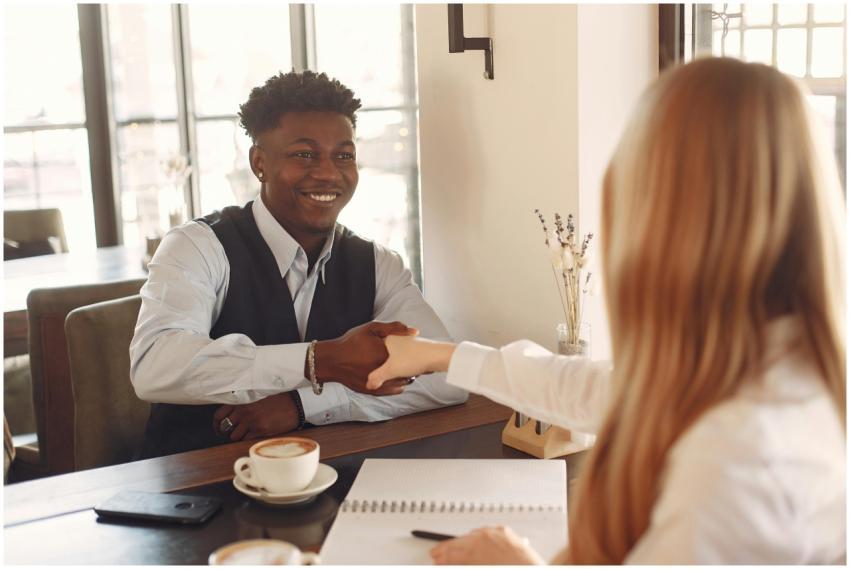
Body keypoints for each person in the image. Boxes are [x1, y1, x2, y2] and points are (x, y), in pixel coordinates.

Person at [367, 57, 846, 564]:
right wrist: (439, 355)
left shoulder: (739, 466)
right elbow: (604, 390)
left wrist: (515, 563)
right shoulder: (771, 368)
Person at [130, 70, 467, 459]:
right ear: (259, 163)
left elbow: (447, 375)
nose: (327, 172)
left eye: (344, 155)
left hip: (328, 480)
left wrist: (302, 406)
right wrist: (319, 361)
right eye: (304, 154)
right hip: (195, 482)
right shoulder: (197, 246)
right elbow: (155, 364)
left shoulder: (378, 264)